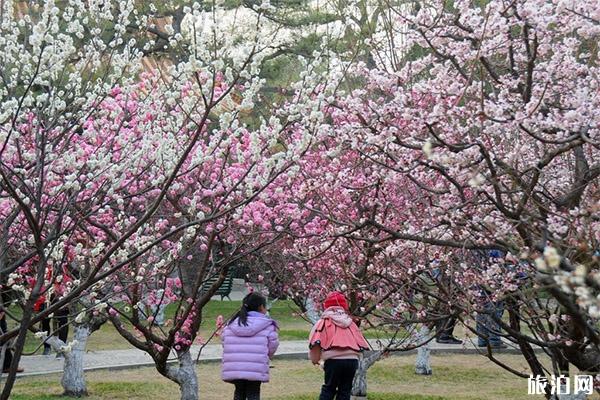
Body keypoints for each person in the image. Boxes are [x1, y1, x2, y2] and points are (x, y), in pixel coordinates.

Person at [309, 291, 369, 400]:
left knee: (329, 389)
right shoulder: (350, 322)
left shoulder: (323, 322)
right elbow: (359, 340)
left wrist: (315, 359)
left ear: (326, 306)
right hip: (352, 361)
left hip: (333, 361)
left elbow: (315, 342)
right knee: (345, 390)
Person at [221, 292, 279, 400]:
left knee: (239, 392)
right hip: (256, 367)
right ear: (262, 307)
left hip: (235, 367)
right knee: (253, 393)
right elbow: (273, 345)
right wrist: (267, 356)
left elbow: (225, 343)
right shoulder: (267, 325)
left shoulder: (231, 324)